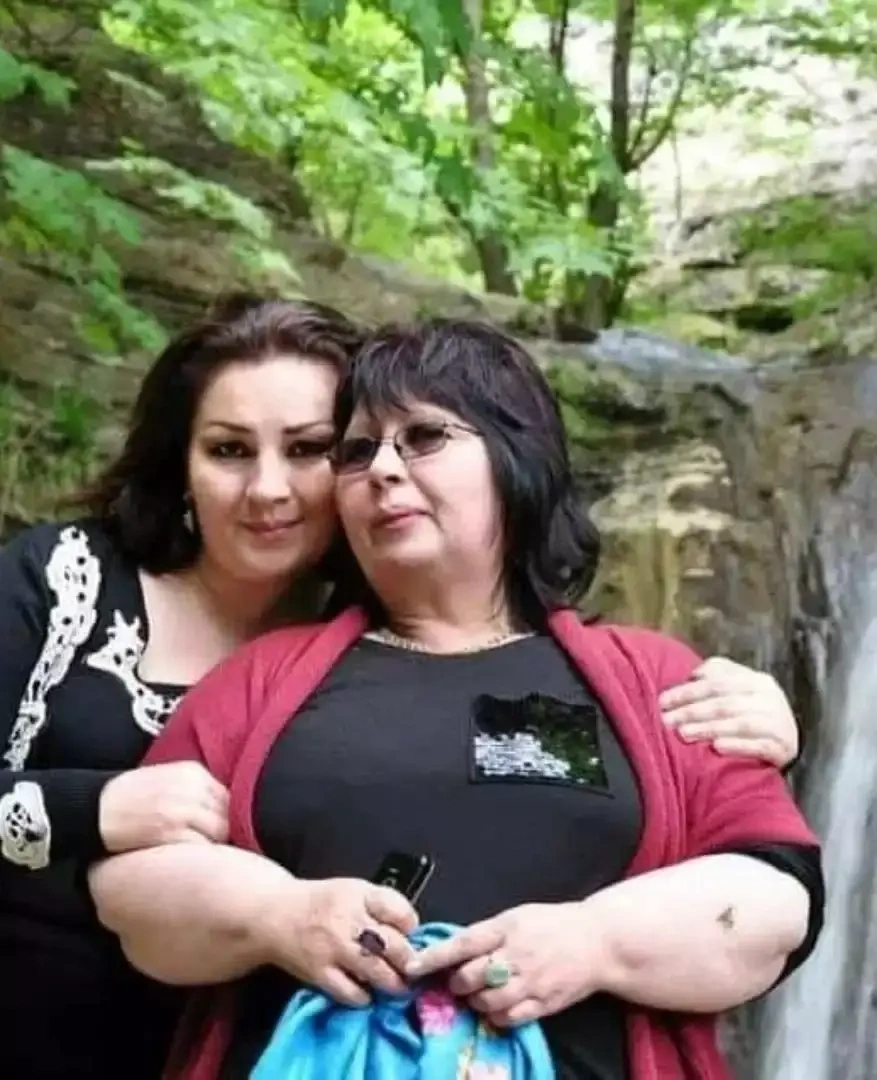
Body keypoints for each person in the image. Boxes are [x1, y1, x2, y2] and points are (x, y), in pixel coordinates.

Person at [91, 320, 823, 1080]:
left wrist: (595, 942)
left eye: (424, 437)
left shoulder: (654, 677)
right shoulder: (260, 678)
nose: (382, 469)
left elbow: (778, 898)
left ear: (516, 458)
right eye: (356, 451)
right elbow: (130, 888)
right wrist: (278, 916)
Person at [0, 293, 364, 1080]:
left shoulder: (383, 635)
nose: (268, 488)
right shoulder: (63, 579)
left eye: (308, 449)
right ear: (181, 464)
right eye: (229, 450)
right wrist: (94, 808)